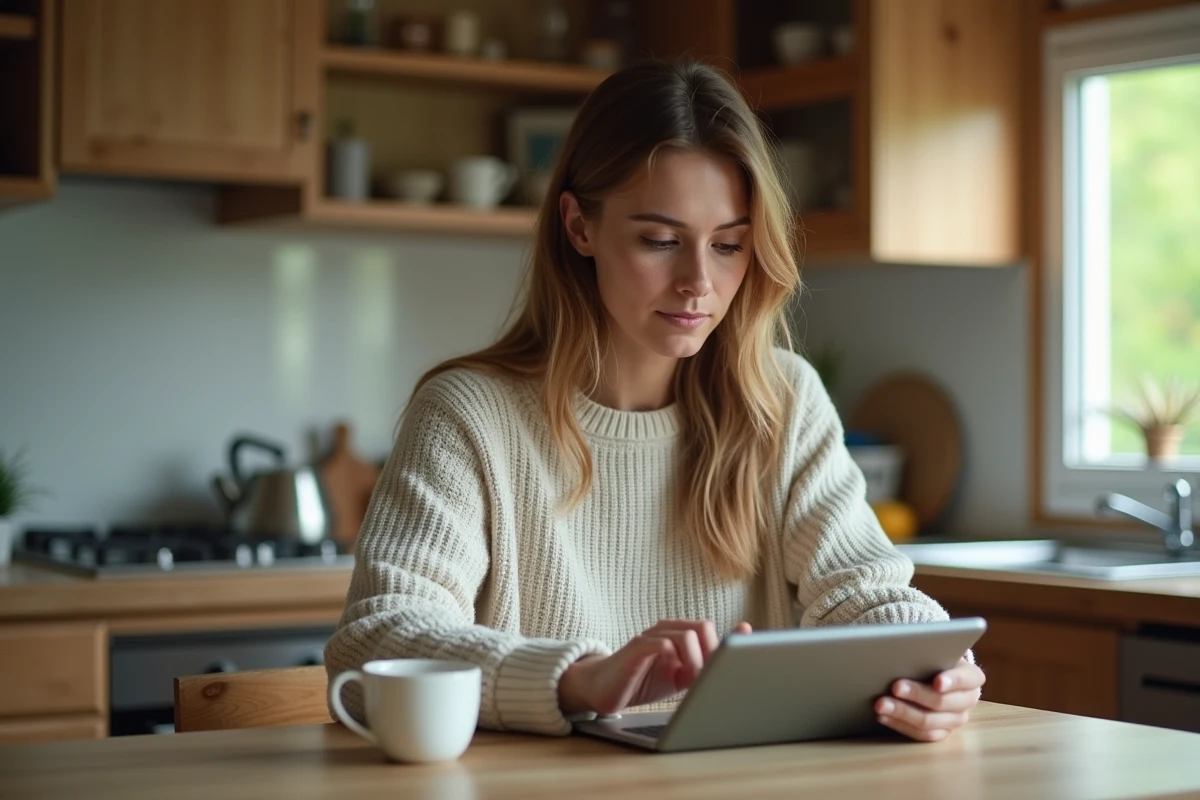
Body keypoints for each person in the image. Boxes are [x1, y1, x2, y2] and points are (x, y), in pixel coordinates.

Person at [325, 59, 984, 744]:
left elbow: (862, 590)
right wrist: (577, 679)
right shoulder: (468, 415)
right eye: (661, 241)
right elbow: (377, 638)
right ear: (579, 226)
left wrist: (931, 665)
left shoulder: (783, 400)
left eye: (728, 245)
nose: (699, 281)